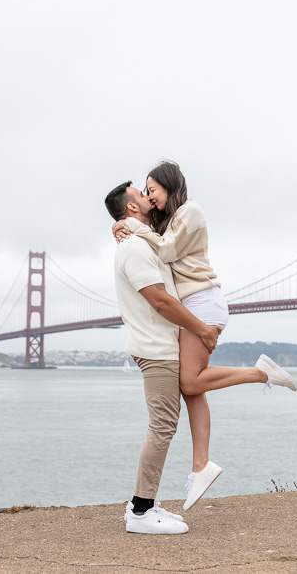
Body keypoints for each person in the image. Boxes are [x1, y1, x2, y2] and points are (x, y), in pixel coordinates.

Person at [112, 160, 297, 512]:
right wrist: (123, 224)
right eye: (145, 192)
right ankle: (201, 466)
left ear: (170, 185)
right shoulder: (166, 221)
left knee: (191, 382)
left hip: (202, 303)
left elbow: (165, 249)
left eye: (153, 189)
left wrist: (132, 226)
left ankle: (262, 374)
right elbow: (152, 234)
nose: (150, 197)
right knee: (190, 384)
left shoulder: (191, 211)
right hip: (194, 305)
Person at [105, 181, 221, 535]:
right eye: (141, 194)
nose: (147, 195)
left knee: (163, 426)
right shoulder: (135, 249)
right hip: (157, 350)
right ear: (132, 209)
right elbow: (159, 299)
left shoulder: (142, 240)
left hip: (161, 346)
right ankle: (140, 511)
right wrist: (202, 329)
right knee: (162, 427)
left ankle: (146, 504)